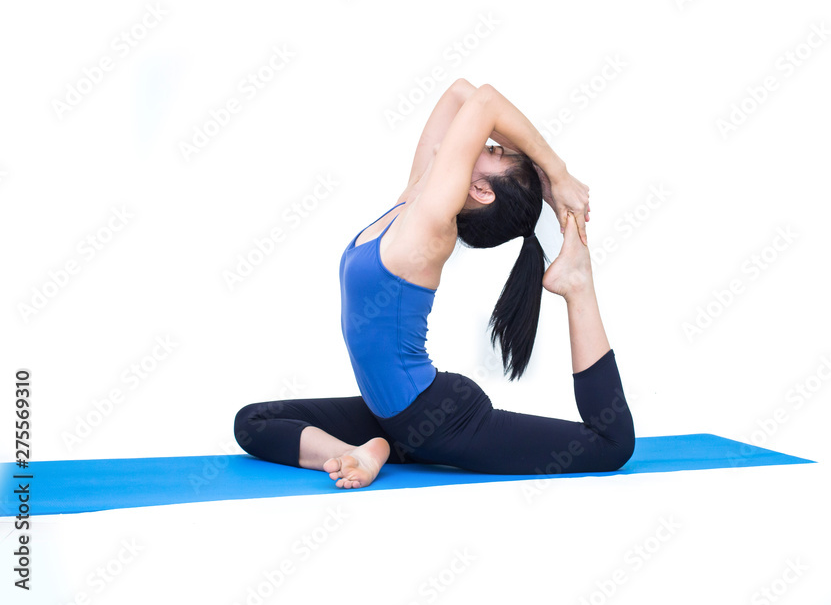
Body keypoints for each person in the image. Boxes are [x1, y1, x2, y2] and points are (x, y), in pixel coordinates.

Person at [233, 78, 634, 488]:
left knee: (611, 445)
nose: (481, 140)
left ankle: (577, 282)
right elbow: (462, 94)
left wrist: (558, 173)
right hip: (392, 415)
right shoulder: (414, 200)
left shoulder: (430, 226)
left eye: (492, 149)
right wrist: (544, 184)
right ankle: (354, 453)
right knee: (252, 421)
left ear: (479, 190)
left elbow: (486, 102)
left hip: (440, 420)